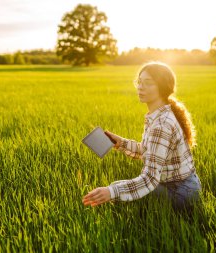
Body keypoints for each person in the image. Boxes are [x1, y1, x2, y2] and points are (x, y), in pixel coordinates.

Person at [82, 61, 202, 212]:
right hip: (182, 186)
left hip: (179, 192)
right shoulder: (159, 115)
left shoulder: (161, 125)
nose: (140, 87)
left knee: (116, 192)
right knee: (117, 189)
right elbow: (149, 151)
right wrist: (121, 143)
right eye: (139, 82)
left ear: (162, 87)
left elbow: (150, 179)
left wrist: (110, 192)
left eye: (148, 83)